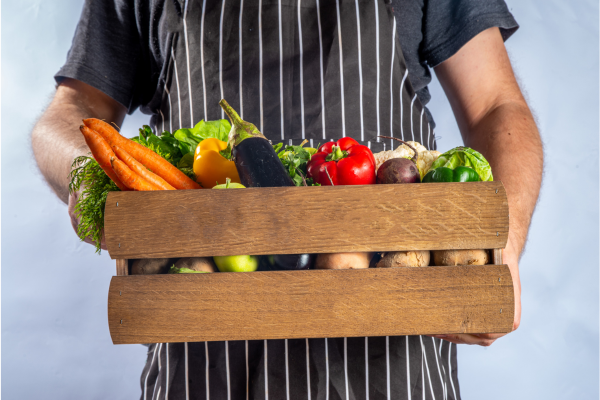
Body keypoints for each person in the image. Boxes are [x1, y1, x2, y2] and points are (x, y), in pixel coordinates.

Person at [31, 0, 543, 398]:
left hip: (394, 366)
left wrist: (506, 245)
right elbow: (71, 111)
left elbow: (495, 105)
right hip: (202, 365)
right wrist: (85, 181)